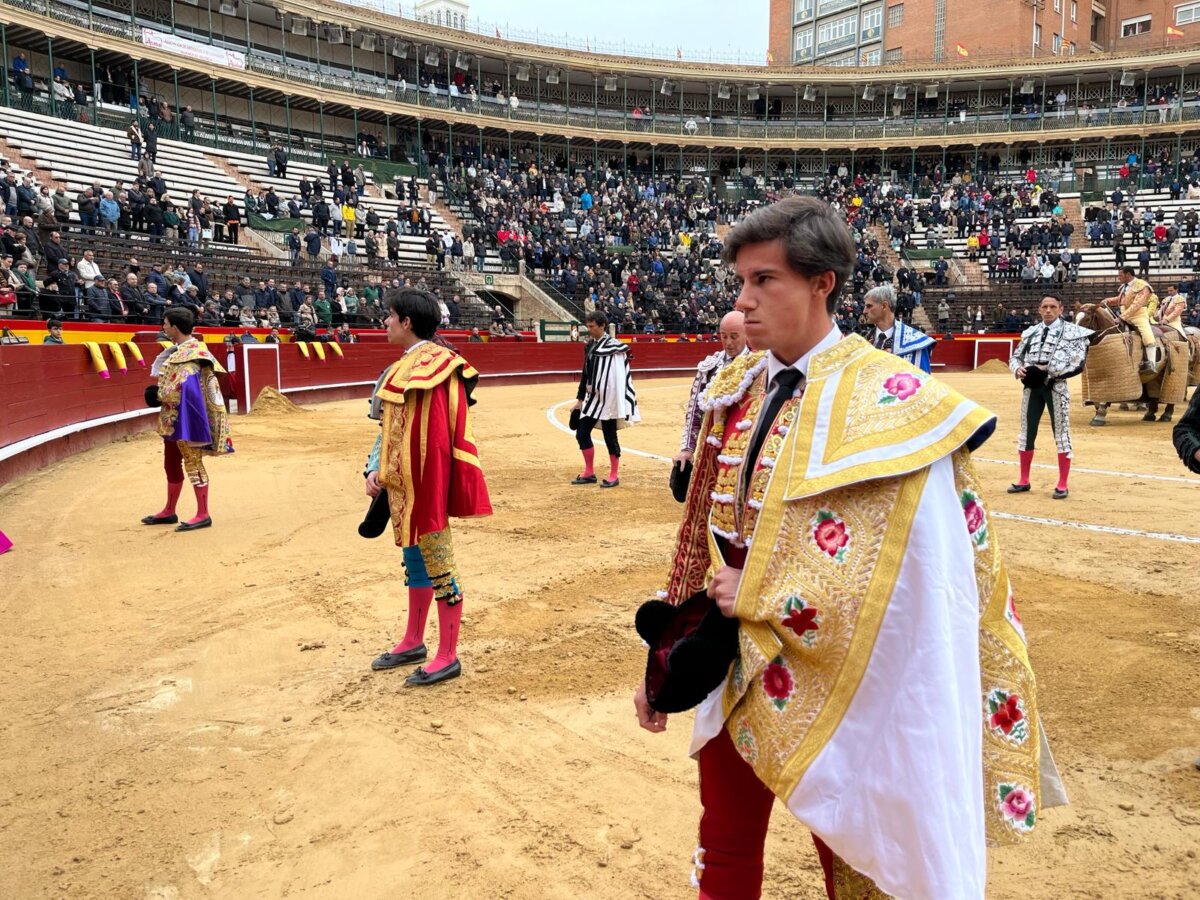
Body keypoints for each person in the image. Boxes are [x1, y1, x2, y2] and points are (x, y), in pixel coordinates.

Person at [633, 196, 1063, 898]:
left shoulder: (893, 401)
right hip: (731, 657)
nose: (743, 302)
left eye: (763, 280)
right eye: (740, 281)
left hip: (847, 676)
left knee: (866, 858)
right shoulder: (734, 388)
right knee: (725, 845)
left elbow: (918, 577)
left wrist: (766, 590)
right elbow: (699, 538)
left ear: (822, 282)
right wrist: (660, 660)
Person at [363, 288, 493, 685]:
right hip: (403, 482)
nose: (384, 322)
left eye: (390, 315)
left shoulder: (436, 367)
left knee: (439, 564)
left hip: (424, 482)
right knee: (415, 562)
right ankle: (413, 640)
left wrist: (423, 483)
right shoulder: (405, 367)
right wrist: (373, 467)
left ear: (407, 322)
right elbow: (390, 429)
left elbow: (436, 437)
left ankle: (448, 654)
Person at [142, 307, 233, 532]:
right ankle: (169, 511)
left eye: (165, 323)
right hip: (173, 418)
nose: (162, 327)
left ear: (174, 327)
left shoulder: (192, 355)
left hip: (188, 419)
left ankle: (203, 514)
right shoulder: (182, 351)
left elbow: (187, 389)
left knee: (192, 462)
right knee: (170, 463)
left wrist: (159, 395)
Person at [1006, 295, 1093, 500]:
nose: (1048, 310)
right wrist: (1018, 369)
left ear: (1060, 309)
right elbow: (1015, 356)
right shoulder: (1031, 332)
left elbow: (1078, 362)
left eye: (1052, 307)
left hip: (1056, 386)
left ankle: (1062, 483)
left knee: (1061, 434)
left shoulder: (1073, 332)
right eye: (1044, 306)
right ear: (1039, 309)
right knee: (1027, 432)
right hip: (1031, 388)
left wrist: (1049, 370)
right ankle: (1023, 480)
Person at [570, 311, 640, 488]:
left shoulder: (614, 347)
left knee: (610, 436)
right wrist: (580, 399)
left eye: (592, 327)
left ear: (602, 326)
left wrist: (615, 401)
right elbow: (585, 374)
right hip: (593, 399)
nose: (589, 330)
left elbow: (618, 377)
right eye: (589, 326)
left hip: (609, 400)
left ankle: (614, 474)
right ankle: (589, 472)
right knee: (582, 432)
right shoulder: (591, 346)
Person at [674, 311, 748, 469]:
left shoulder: (758, 364)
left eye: (734, 336)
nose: (728, 342)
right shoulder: (710, 366)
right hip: (713, 447)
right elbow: (694, 411)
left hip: (746, 448)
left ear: (746, 333)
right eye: (724, 336)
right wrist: (687, 448)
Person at [862, 283, 935, 373]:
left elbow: (924, 384)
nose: (864, 311)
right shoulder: (864, 341)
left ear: (884, 306)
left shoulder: (915, 343)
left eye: (869, 306)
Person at [1103, 266, 1159, 374]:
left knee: (1147, 335)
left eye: (1120, 275)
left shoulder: (1142, 285)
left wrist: (1121, 317)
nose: (1118, 277)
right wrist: (1108, 301)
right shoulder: (1125, 287)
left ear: (1128, 274)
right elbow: (1121, 300)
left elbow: (1137, 304)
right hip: (1124, 316)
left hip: (1138, 316)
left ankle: (1151, 363)